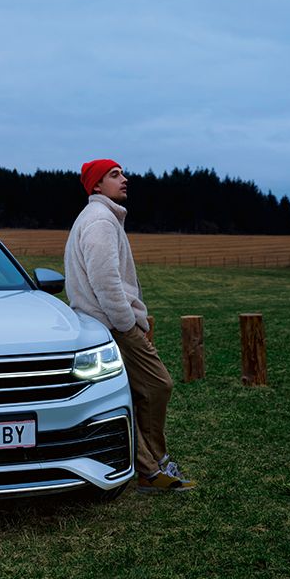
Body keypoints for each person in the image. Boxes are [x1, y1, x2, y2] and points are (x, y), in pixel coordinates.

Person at [63, 158, 195, 493]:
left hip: (105, 323)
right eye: (114, 175)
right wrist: (127, 324)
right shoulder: (100, 222)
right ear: (96, 186)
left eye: (122, 173)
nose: (125, 179)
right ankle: (153, 465)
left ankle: (151, 467)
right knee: (157, 385)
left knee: (137, 391)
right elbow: (106, 282)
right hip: (112, 325)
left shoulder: (101, 218)